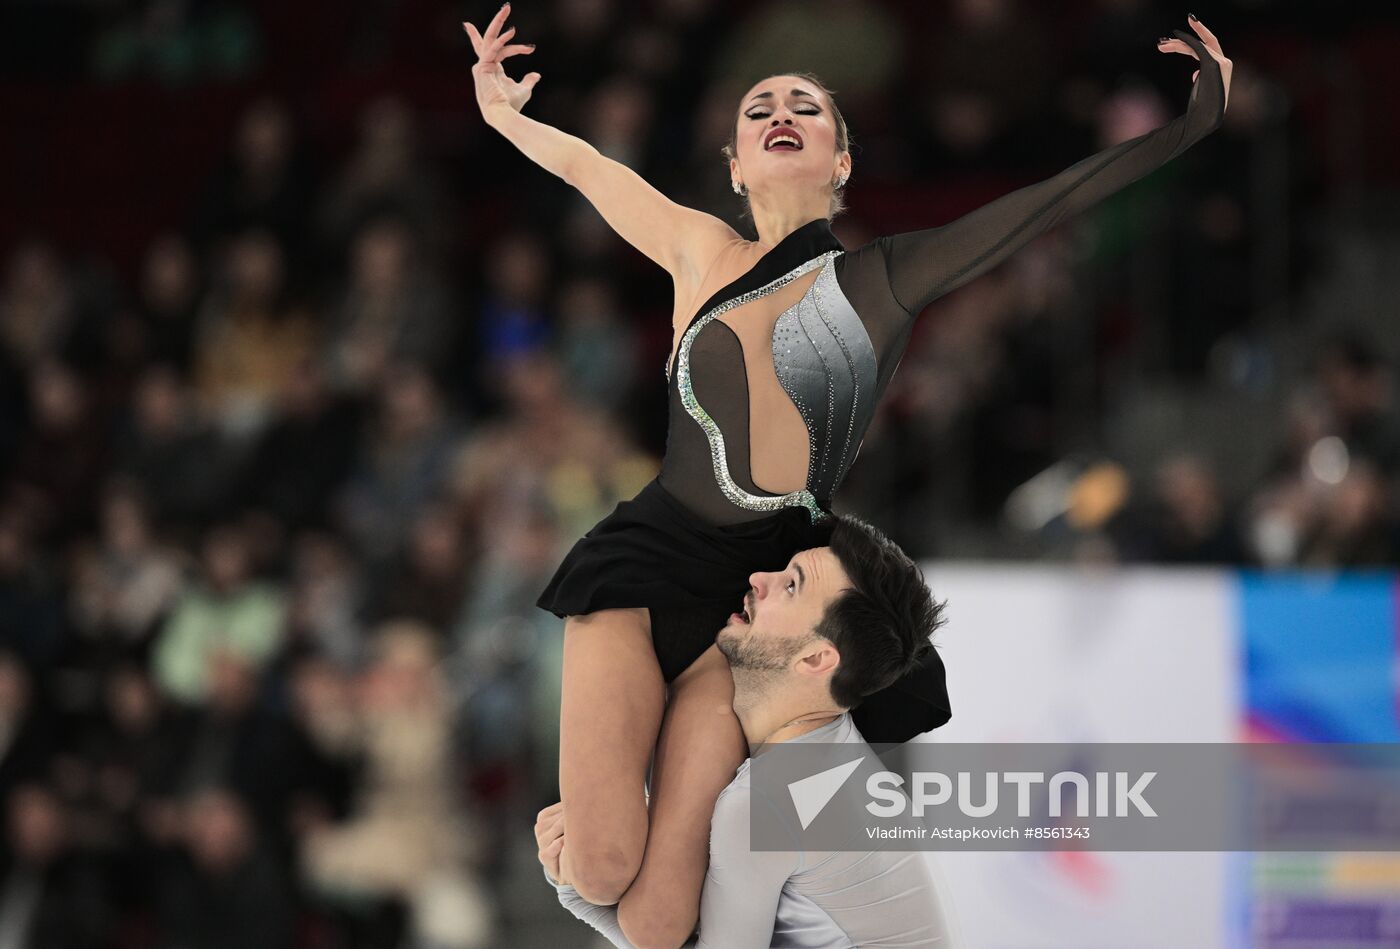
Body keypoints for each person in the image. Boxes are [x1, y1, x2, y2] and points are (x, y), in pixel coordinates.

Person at [464, 6, 1231, 945]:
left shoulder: (878, 282)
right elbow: (590, 167)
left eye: (807, 106)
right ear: (735, 165)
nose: (780, 107)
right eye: (758, 107)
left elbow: (1046, 201)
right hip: (638, 568)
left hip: (751, 604)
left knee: (659, 922)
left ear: (842, 165)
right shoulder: (697, 248)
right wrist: (506, 116)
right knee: (599, 864)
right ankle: (572, 846)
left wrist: (1189, 127)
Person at [536, 515, 959, 947]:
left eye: (791, 586)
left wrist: (574, 891)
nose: (760, 578)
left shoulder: (768, 805)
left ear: (816, 660)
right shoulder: (821, 762)